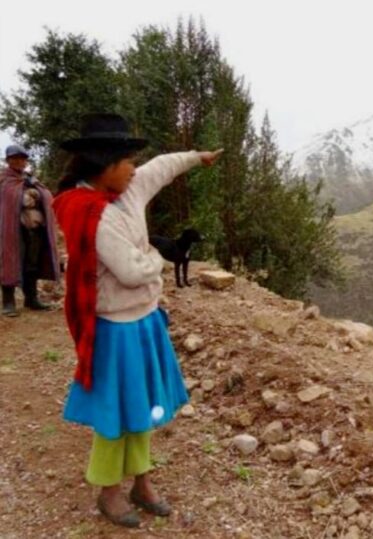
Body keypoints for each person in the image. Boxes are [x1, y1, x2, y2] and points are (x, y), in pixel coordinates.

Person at [53, 113, 223, 528]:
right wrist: (156, 259)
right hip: (116, 330)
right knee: (116, 415)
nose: (134, 168)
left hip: (145, 321)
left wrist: (196, 157)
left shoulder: (124, 192)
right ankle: (108, 492)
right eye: (127, 161)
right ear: (103, 166)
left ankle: (141, 484)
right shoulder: (94, 215)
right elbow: (131, 271)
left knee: (145, 407)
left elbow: (159, 168)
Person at [0, 144, 60, 316]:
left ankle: (31, 298)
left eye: (22, 158)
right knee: (10, 262)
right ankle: (9, 302)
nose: (19, 161)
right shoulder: (4, 179)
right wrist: (28, 195)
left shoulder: (30, 178)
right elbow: (11, 200)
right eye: (15, 158)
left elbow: (47, 197)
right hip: (12, 229)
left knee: (31, 263)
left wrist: (37, 192)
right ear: (9, 160)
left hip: (33, 229)